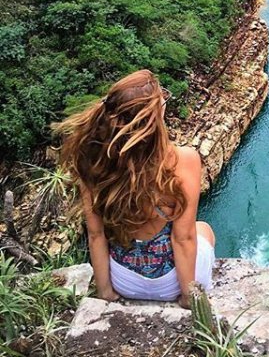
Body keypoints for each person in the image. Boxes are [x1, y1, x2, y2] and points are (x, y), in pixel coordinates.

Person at [55, 69, 215, 307]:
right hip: (170, 283)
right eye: (162, 100)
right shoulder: (183, 160)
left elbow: (96, 235)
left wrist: (106, 292)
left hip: (124, 281)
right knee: (203, 229)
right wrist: (186, 298)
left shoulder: (93, 161)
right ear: (153, 115)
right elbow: (183, 238)